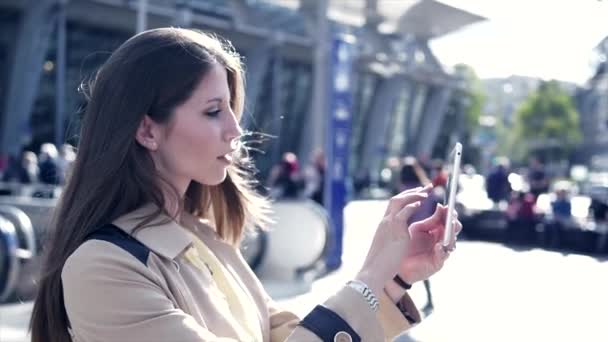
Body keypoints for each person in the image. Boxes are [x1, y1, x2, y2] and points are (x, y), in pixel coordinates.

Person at [29, 28, 461, 342]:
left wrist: (392, 277)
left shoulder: (201, 235)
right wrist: (369, 279)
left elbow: (285, 335)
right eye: (214, 110)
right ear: (147, 130)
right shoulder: (103, 266)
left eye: (231, 109)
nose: (236, 129)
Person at [398, 156, 443, 316]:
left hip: (406, 236)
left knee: (399, 273)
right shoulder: (427, 191)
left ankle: (399, 305)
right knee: (422, 269)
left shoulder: (405, 192)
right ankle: (429, 299)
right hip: (425, 234)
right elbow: (435, 212)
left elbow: (400, 217)